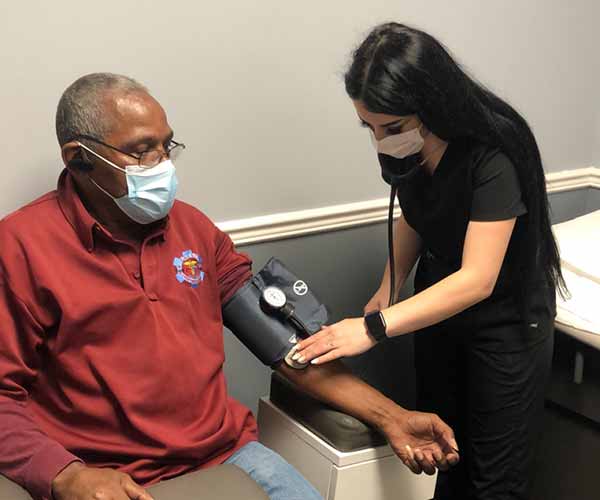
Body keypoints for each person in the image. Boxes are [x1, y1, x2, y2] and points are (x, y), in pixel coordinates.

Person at [0, 73, 459, 500]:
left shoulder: (195, 231)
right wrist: (66, 474)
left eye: (166, 147)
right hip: (112, 477)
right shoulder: (21, 248)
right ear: (78, 158)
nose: (161, 165)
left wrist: (393, 417)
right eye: (142, 152)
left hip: (227, 452)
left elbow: (286, 349)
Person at [294, 23, 566, 500]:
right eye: (370, 128)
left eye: (392, 127)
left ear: (434, 104)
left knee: (493, 482)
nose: (381, 140)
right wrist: (390, 285)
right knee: (442, 451)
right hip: (441, 310)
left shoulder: (495, 152)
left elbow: (478, 280)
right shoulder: (411, 148)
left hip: (505, 322)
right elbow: (418, 215)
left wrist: (374, 327)